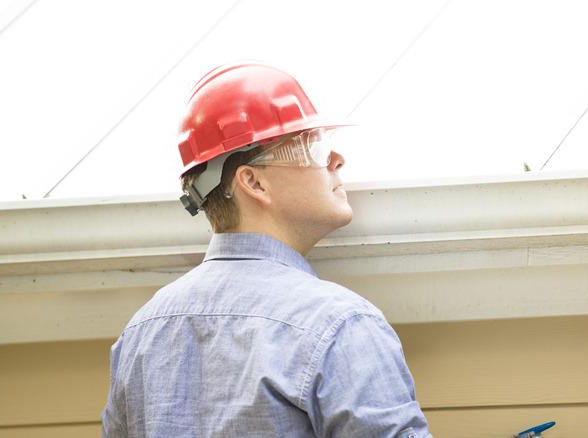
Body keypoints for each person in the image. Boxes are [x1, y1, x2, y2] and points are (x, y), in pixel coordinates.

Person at [101, 63, 432, 437]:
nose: (336, 159)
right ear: (254, 182)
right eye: (313, 145)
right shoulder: (338, 326)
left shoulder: (141, 336)